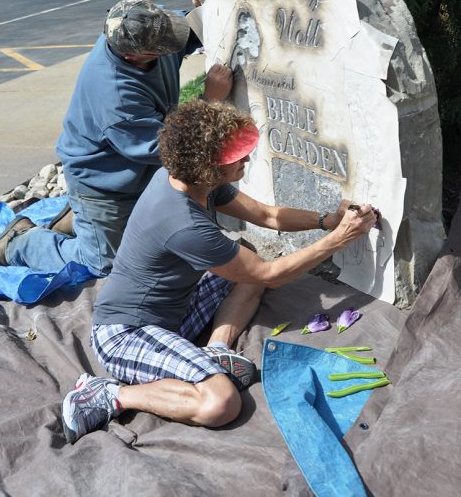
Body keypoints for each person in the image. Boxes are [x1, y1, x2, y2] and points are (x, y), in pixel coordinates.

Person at [61, 99, 379, 444]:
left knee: (247, 264)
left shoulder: (192, 183)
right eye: (236, 158)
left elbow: (268, 216)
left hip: (173, 313)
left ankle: (215, 349)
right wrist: (339, 238)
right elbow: (271, 275)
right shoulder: (183, 223)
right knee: (221, 403)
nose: (246, 160)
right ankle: (109, 395)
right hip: (126, 333)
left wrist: (326, 221)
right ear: (207, 167)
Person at [0, 0, 232, 277]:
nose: (176, 45)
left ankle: (80, 220)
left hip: (134, 162)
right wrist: (211, 100)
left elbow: (186, 32)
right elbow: (171, 147)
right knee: (103, 264)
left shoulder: (140, 22)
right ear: (134, 56)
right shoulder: (115, 94)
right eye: (166, 45)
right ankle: (20, 243)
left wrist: (206, 6)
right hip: (103, 179)